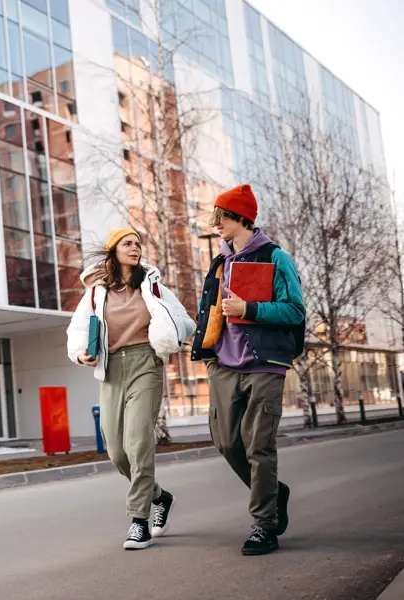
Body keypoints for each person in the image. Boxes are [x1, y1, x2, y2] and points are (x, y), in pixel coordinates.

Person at [191, 184, 306, 556]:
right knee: (226, 442)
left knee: (259, 446)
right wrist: (208, 355)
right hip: (224, 364)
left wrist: (249, 309)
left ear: (242, 217)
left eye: (221, 217)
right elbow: (210, 310)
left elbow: (295, 311)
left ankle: (264, 525)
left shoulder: (275, 257)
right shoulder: (219, 261)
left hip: (264, 365)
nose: (216, 224)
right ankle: (274, 493)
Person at [67, 228, 196, 550]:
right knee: (116, 451)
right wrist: (81, 353)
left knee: (138, 442)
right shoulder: (97, 292)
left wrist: (170, 334)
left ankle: (139, 521)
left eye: (138, 244)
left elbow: (185, 320)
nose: (135, 248)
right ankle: (160, 497)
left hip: (146, 363)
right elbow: (78, 328)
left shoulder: (152, 286)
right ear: (113, 250)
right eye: (128, 243)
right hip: (111, 368)